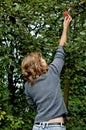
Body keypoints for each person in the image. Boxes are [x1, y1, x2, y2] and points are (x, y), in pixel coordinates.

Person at [21, 15, 72, 130]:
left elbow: (33, 105)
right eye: (42, 59)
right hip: (55, 127)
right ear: (38, 65)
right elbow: (60, 50)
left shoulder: (28, 86)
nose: (44, 60)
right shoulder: (53, 72)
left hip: (38, 126)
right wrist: (65, 27)